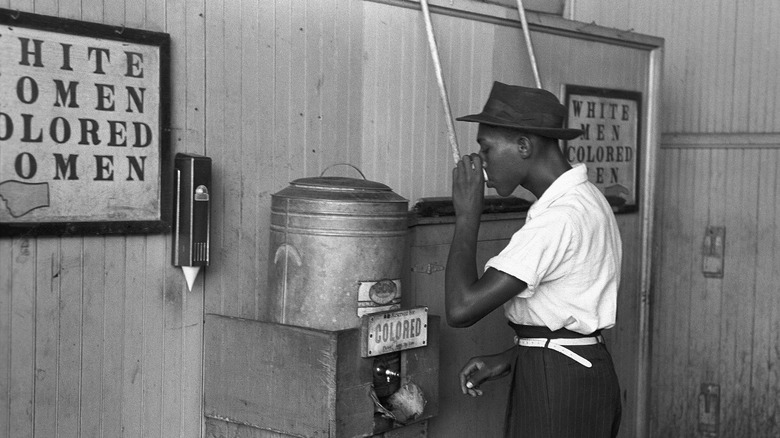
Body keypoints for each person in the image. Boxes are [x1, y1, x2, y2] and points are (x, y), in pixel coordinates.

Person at [445, 81, 622, 437]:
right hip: (572, 369)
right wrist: (511, 359)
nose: (481, 163)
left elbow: (461, 308)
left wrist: (467, 217)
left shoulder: (560, 218)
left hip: (558, 383)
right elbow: (568, 317)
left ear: (524, 146)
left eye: (487, 148)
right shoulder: (584, 199)